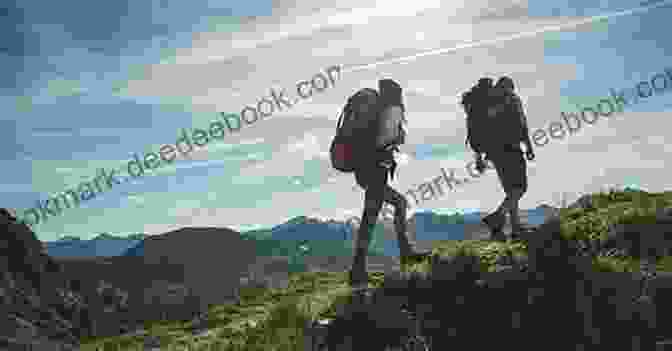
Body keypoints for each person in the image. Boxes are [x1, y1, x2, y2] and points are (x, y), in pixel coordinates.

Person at [349, 79, 431, 287]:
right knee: (384, 211)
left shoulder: (377, 111)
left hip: (368, 171)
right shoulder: (389, 111)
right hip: (376, 170)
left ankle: (360, 269)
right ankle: (399, 255)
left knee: (375, 215)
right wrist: (397, 138)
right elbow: (384, 140)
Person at [477, 76, 535, 240]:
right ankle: (497, 216)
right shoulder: (512, 100)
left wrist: (479, 157)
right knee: (520, 188)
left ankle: (515, 227)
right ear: (509, 87)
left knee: (511, 191)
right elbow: (522, 125)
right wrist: (529, 147)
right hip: (511, 149)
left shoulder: (487, 103)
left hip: (495, 154)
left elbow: (479, 131)